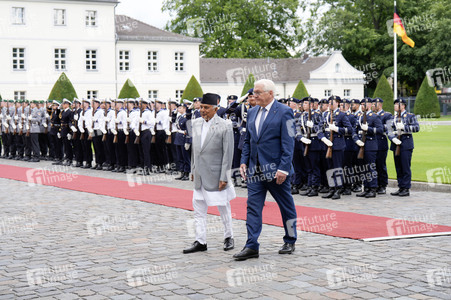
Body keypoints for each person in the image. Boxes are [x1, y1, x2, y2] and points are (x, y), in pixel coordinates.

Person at [234, 79, 297, 261]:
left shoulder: (285, 112)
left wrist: (283, 169)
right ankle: (251, 245)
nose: (254, 96)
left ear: (270, 93)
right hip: (255, 170)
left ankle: (290, 239)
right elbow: (248, 140)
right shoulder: (252, 112)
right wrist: (244, 161)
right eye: (254, 92)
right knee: (253, 207)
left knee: (286, 206)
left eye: (258, 92)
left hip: (276, 170)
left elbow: (289, 142)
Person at [183, 93, 235, 254]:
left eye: (206, 108)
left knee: (223, 206)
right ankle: (200, 241)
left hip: (216, 174)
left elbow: (228, 154)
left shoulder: (225, 125)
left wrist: (224, 177)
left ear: (215, 109)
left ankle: (229, 236)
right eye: (201, 107)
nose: (203, 110)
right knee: (198, 208)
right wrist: (193, 169)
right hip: (199, 174)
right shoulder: (196, 123)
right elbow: (195, 150)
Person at [389, 98, 419, 197]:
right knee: (398, 167)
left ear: (403, 106)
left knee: (405, 167)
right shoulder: (392, 117)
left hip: (406, 144)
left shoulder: (410, 116)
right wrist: (393, 138)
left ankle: (406, 188)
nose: (395, 106)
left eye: (397, 104)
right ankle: (401, 186)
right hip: (396, 144)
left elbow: (416, 128)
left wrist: (404, 128)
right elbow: (388, 130)